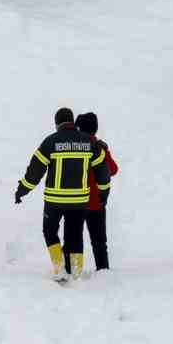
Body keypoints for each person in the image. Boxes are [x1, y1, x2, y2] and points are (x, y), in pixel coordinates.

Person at [15, 107, 110, 282]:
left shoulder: (50, 141)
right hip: (79, 200)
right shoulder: (88, 142)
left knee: (49, 231)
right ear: (72, 122)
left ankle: (59, 269)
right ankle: (76, 273)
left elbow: (35, 171)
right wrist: (104, 192)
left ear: (57, 123)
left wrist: (22, 190)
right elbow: (103, 171)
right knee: (75, 235)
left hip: (54, 200)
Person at [75, 111, 118, 272]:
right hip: (96, 202)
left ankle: (73, 270)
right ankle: (103, 271)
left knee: (74, 239)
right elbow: (113, 170)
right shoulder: (99, 147)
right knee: (99, 241)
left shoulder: (76, 147)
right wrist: (106, 152)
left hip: (76, 202)